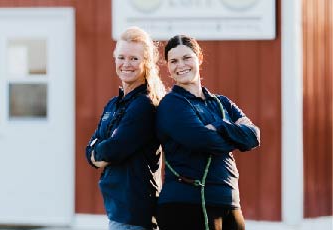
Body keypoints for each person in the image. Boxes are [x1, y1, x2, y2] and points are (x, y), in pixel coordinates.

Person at [156, 35, 260, 230]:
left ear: (199, 58)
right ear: (168, 66)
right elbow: (202, 140)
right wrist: (236, 137)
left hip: (228, 199)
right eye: (174, 61)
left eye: (187, 58)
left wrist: (220, 127)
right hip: (187, 204)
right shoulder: (172, 104)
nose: (181, 65)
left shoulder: (222, 102)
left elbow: (253, 136)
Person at [85, 26, 166, 230]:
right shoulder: (114, 104)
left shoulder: (144, 104)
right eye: (121, 57)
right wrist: (97, 151)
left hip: (136, 214)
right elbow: (89, 150)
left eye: (134, 59)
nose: (126, 64)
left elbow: (114, 149)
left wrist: (99, 151)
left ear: (146, 62)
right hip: (118, 210)